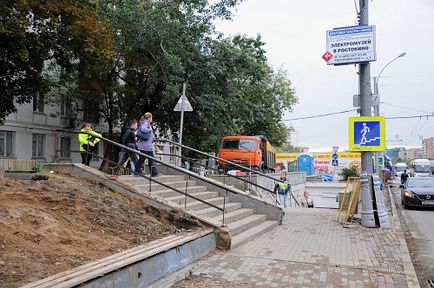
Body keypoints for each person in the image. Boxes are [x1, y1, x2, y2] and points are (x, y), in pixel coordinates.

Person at [135, 112, 158, 177]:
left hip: (145, 146)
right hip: (146, 146)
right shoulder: (146, 123)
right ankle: (154, 173)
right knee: (150, 159)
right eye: (151, 117)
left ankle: (137, 171)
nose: (152, 119)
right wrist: (149, 129)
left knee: (144, 158)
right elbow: (143, 129)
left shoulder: (145, 123)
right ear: (149, 118)